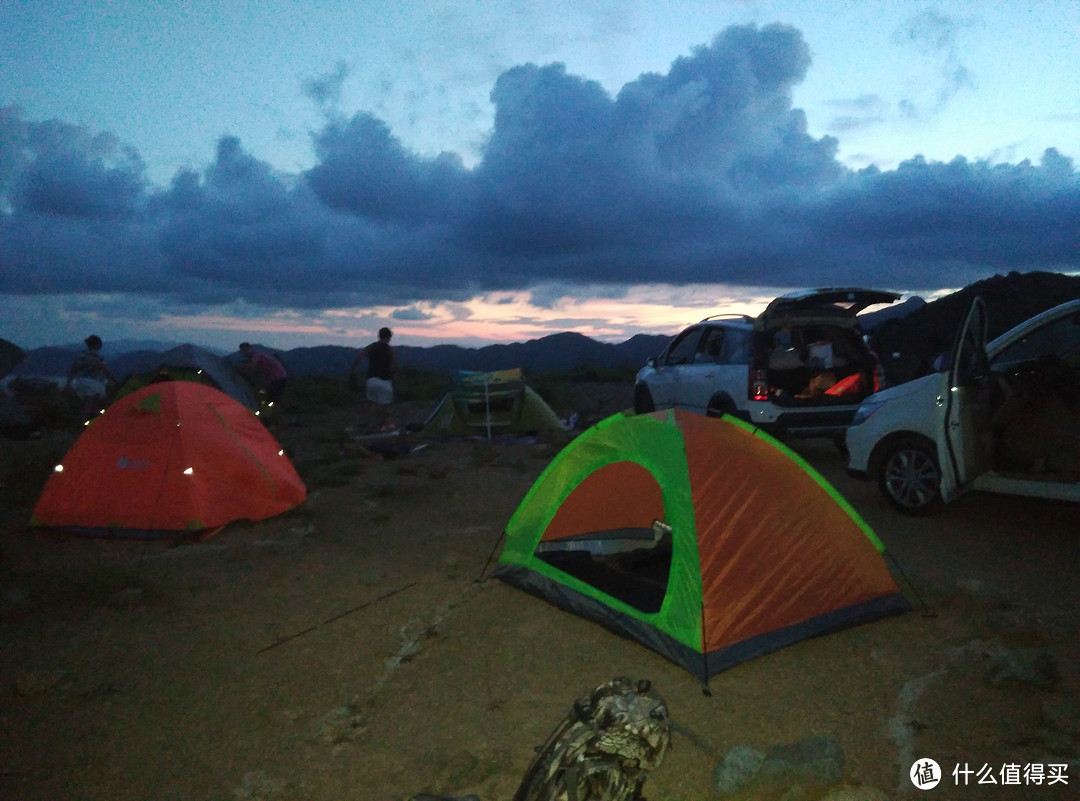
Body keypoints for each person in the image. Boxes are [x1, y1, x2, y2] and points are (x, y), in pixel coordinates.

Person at [348, 327, 397, 432]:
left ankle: (369, 426)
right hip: (385, 382)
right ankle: (385, 427)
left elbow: (357, 359)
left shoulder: (371, 347)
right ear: (389, 337)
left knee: (371, 404)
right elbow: (394, 366)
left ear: (379, 335)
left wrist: (352, 372)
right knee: (385, 407)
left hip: (371, 381)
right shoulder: (390, 350)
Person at [238, 343, 288, 412]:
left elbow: (251, 365)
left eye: (245, 350)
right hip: (277, 378)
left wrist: (238, 368)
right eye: (242, 351)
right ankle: (269, 414)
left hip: (278, 378)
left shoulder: (256, 356)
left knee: (271, 399)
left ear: (250, 349)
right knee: (271, 397)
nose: (244, 352)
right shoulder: (257, 355)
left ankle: (267, 416)